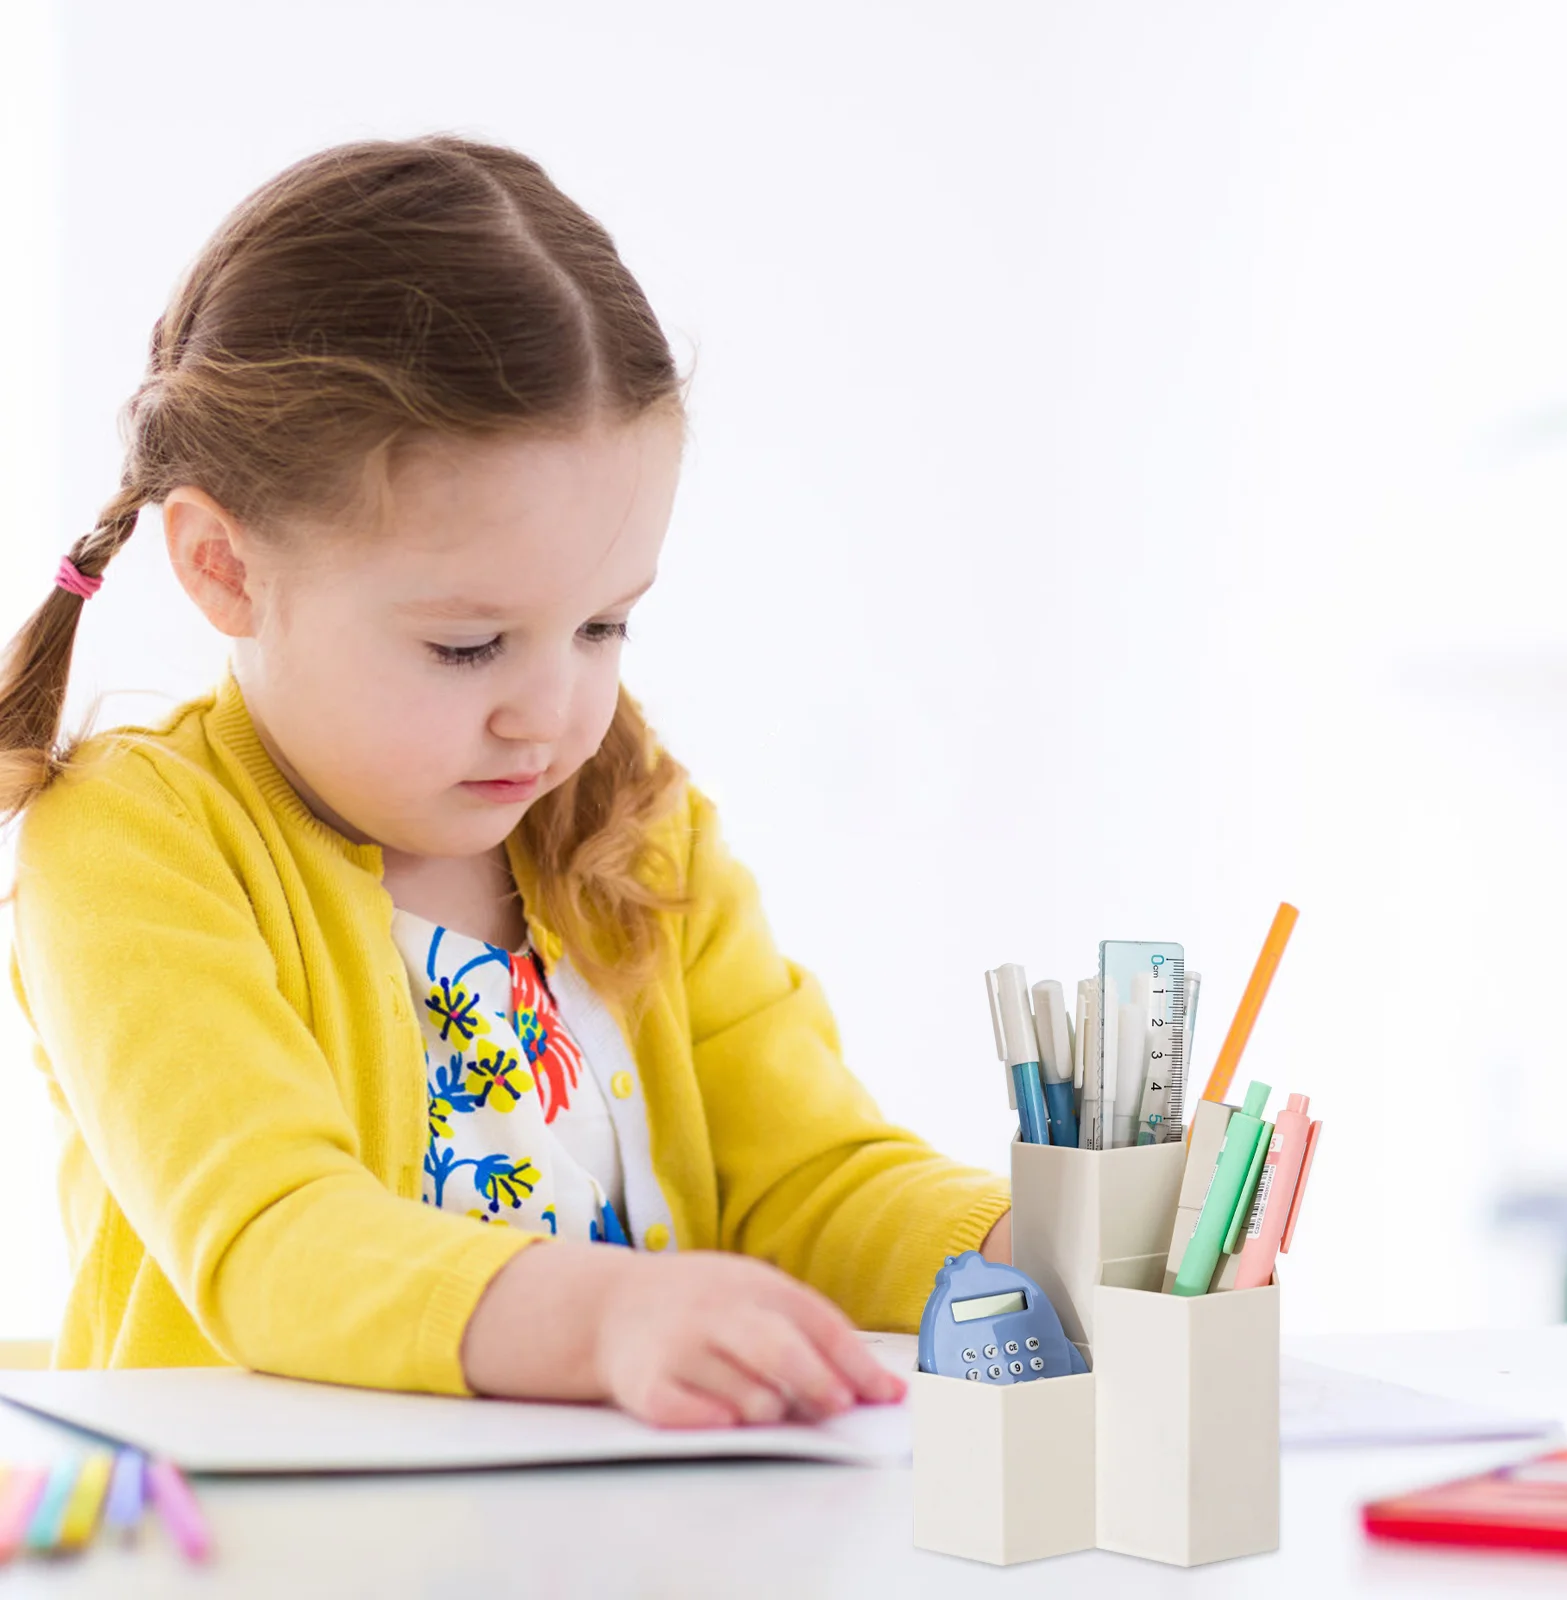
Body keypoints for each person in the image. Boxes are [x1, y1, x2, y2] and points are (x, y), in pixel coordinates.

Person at [0, 136, 1011, 1429]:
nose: (556, 714)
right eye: (469, 644)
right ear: (224, 569)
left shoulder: (635, 825)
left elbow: (802, 1180)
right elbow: (273, 1235)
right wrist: (608, 1314)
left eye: (605, 626)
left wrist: (1028, 1248)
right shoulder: (136, 842)